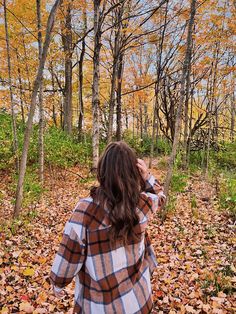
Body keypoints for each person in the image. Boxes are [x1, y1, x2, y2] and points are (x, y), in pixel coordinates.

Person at [50, 141, 166, 313]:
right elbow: (160, 196)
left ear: (102, 171)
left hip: (101, 307)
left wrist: (57, 283)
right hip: (139, 302)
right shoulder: (142, 203)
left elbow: (70, 255)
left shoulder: (86, 211)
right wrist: (147, 176)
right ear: (134, 172)